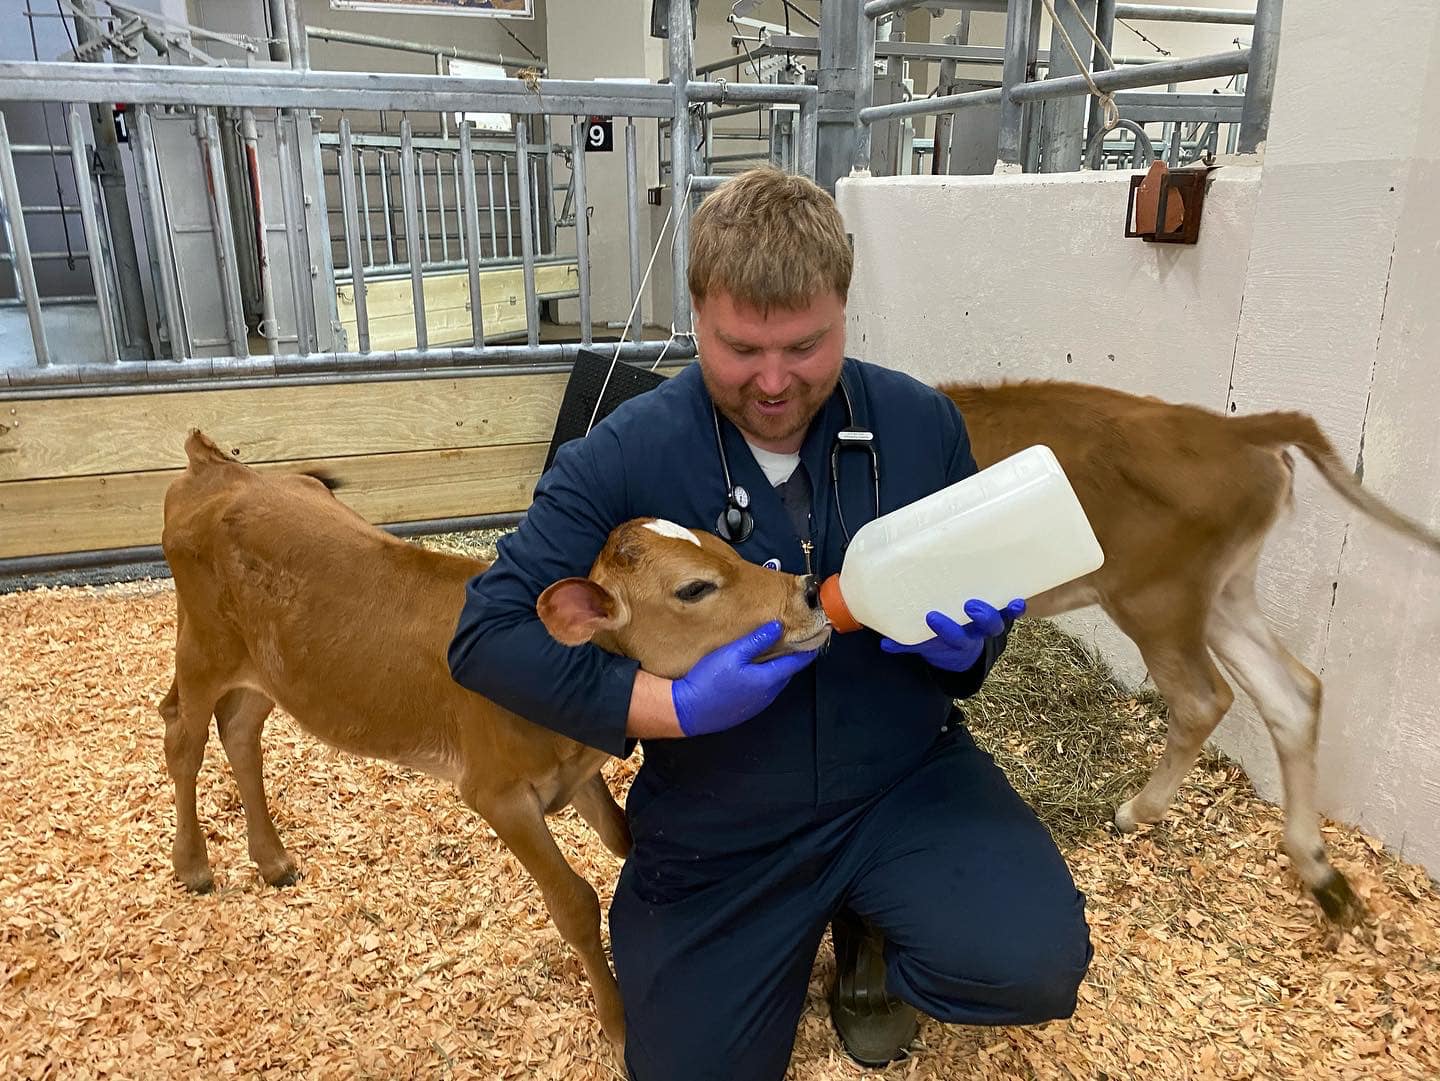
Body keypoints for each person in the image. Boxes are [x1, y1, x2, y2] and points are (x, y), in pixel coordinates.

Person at [448, 166, 1092, 1080]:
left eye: (807, 343)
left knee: (1029, 964)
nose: (777, 380)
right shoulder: (626, 450)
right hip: (722, 809)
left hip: (902, 776)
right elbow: (486, 635)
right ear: (698, 315)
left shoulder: (920, 425)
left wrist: (972, 643)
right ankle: (781, 935)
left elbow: (983, 611)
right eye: (741, 347)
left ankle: (870, 931)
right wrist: (668, 709)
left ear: (844, 307)